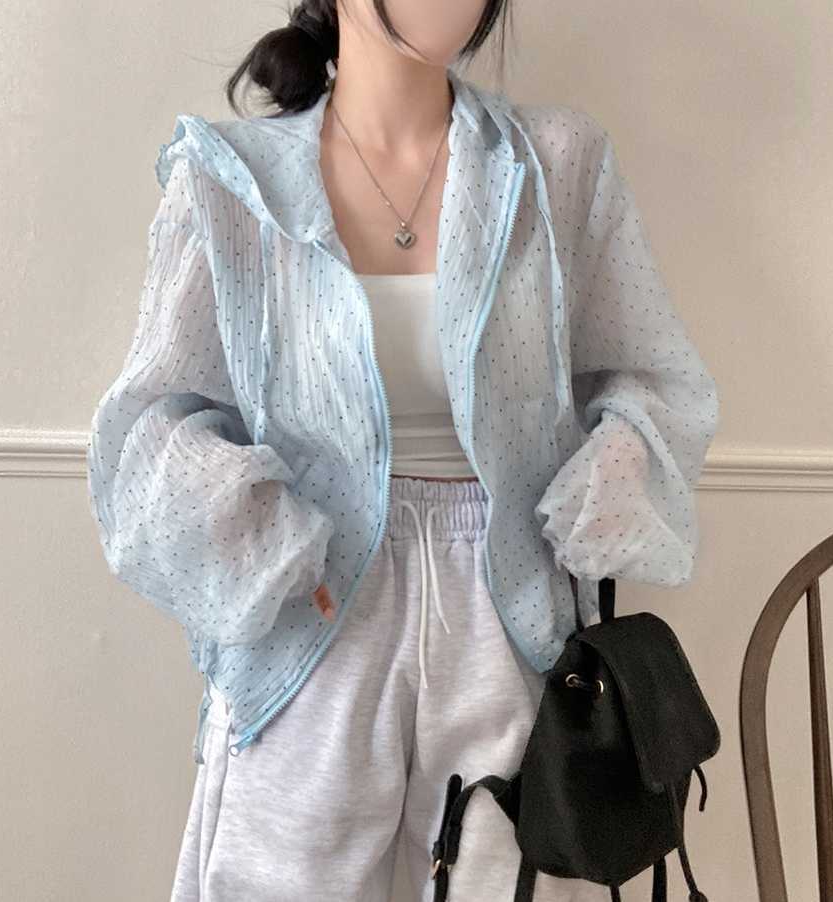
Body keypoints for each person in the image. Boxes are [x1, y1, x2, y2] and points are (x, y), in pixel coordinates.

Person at [85, 0, 720, 899]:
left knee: (504, 880)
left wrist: (591, 501)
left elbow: (649, 374)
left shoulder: (553, 163)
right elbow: (153, 416)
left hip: (507, 607)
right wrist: (272, 542)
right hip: (315, 611)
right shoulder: (234, 178)